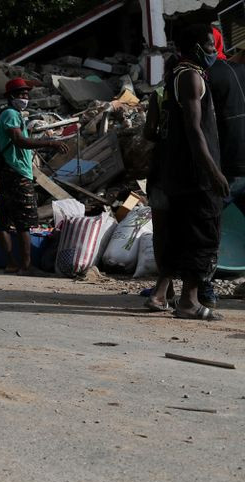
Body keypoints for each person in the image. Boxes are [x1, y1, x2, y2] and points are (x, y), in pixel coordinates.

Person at [149, 23, 228, 321]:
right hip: (196, 175)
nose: (213, 51)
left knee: (182, 233)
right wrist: (214, 171)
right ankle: (189, 302)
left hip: (178, 172)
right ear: (195, 46)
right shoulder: (192, 77)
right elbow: (195, 131)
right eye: (209, 45)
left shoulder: (174, 77)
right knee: (203, 233)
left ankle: (176, 297)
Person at [0, 78, 68, 275]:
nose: (25, 98)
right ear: (11, 97)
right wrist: (49, 143)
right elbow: (19, 140)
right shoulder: (11, 114)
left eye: (26, 94)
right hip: (17, 172)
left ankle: (11, 263)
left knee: (4, 221)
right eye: (21, 94)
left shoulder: (9, 113)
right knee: (24, 222)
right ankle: (25, 266)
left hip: (8, 171)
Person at [194, 28, 245, 308]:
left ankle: (204, 288)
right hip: (228, 166)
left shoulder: (217, 74)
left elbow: (202, 125)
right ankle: (204, 287)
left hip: (226, 166)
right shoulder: (222, 74)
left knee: (209, 226)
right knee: (210, 226)